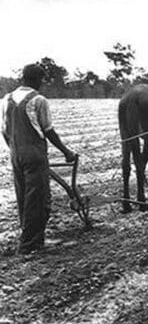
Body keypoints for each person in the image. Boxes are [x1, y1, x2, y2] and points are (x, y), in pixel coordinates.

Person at [1, 64, 77, 254]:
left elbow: (4, 130)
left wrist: (15, 149)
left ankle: (29, 237)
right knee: (38, 198)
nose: (42, 83)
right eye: (42, 79)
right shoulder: (38, 100)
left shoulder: (6, 99)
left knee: (23, 196)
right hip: (35, 154)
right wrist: (66, 152)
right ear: (36, 79)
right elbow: (48, 130)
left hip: (16, 154)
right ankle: (30, 245)